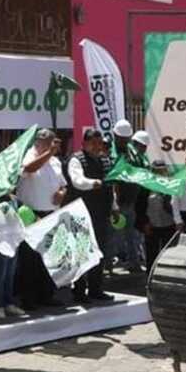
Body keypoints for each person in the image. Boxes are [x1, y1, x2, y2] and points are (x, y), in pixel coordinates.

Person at [16, 129, 66, 310]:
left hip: (51, 213)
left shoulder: (55, 161)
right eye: (41, 141)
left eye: (49, 142)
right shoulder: (30, 155)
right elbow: (28, 169)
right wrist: (48, 153)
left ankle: (46, 294)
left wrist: (62, 193)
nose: (43, 144)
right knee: (30, 258)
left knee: (48, 257)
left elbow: (63, 184)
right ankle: (28, 298)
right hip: (32, 214)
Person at [65, 127, 116, 304]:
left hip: (101, 213)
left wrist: (114, 207)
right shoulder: (76, 160)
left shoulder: (105, 160)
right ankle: (79, 291)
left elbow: (110, 186)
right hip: (81, 213)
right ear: (84, 143)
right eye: (92, 143)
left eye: (99, 143)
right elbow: (77, 181)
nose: (96, 146)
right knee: (81, 253)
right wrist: (93, 183)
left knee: (99, 253)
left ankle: (96, 289)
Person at [109, 120, 146, 273]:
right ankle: (107, 264)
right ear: (115, 136)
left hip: (130, 200)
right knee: (111, 236)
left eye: (126, 139)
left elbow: (142, 168)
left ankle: (134, 262)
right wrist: (114, 202)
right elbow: (111, 178)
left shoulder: (132, 152)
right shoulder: (110, 152)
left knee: (130, 234)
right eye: (121, 139)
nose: (124, 141)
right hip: (116, 201)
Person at [138, 161, 179, 268]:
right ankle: (150, 276)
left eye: (162, 170)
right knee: (151, 254)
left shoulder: (172, 185)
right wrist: (144, 223)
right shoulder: (145, 186)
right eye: (156, 171)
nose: (160, 173)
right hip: (151, 225)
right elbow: (139, 206)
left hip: (169, 225)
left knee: (168, 253)